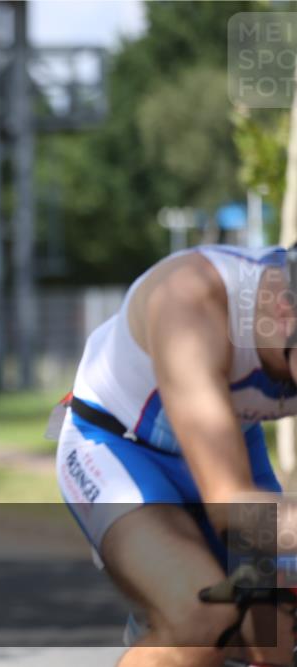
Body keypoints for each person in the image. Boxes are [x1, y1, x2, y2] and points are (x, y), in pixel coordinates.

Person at [55, 244, 297, 666]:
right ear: (283, 311)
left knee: (275, 638)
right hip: (118, 447)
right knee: (205, 618)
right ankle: (172, 621)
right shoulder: (191, 298)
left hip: (228, 445)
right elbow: (231, 506)